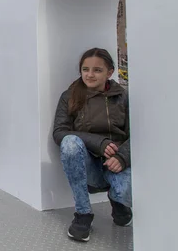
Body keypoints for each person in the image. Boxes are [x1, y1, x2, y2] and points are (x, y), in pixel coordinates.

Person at [53, 48, 132, 242]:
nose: (90, 74)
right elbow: (60, 132)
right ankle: (83, 214)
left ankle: (118, 201)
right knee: (69, 142)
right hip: (88, 165)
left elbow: (138, 135)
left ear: (110, 72)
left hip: (116, 163)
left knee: (126, 194)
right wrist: (98, 143)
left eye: (97, 70)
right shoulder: (69, 96)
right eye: (85, 69)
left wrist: (122, 157)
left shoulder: (123, 97)